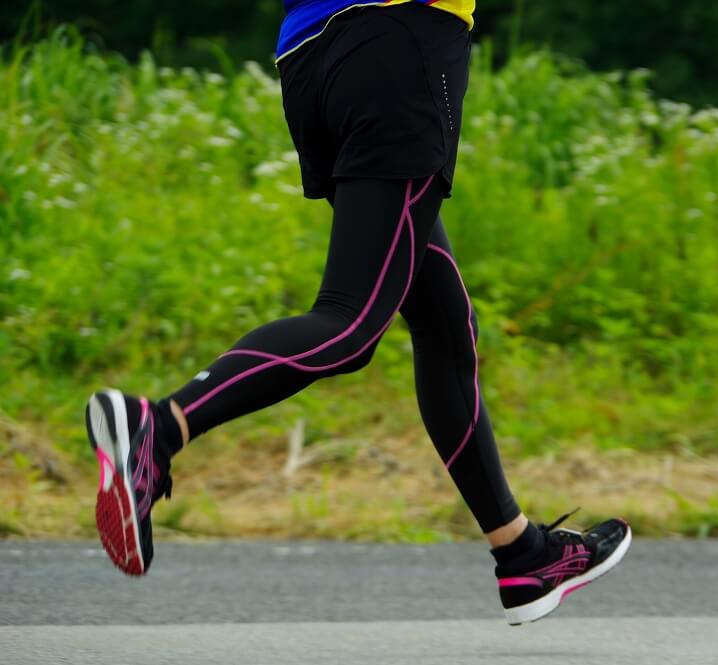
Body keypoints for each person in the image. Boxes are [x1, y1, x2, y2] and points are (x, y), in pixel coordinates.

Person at [84, 0, 631, 626]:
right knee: (350, 322)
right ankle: (159, 426)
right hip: (398, 46)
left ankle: (524, 556)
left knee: (443, 322)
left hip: (313, 56)